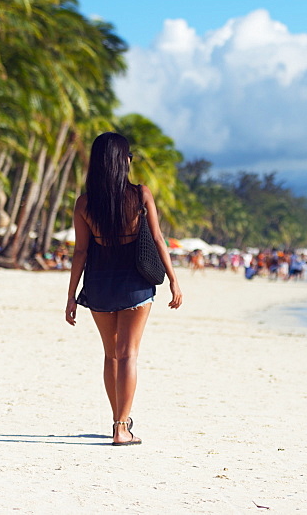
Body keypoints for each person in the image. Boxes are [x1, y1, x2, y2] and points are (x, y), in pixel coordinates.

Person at [65, 132, 183, 447]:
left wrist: (70, 296)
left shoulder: (85, 203)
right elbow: (158, 239)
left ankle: (118, 420)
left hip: (99, 284)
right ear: (124, 161)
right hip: (135, 284)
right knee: (128, 354)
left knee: (110, 355)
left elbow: (81, 253)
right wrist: (173, 279)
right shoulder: (141, 194)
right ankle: (121, 427)